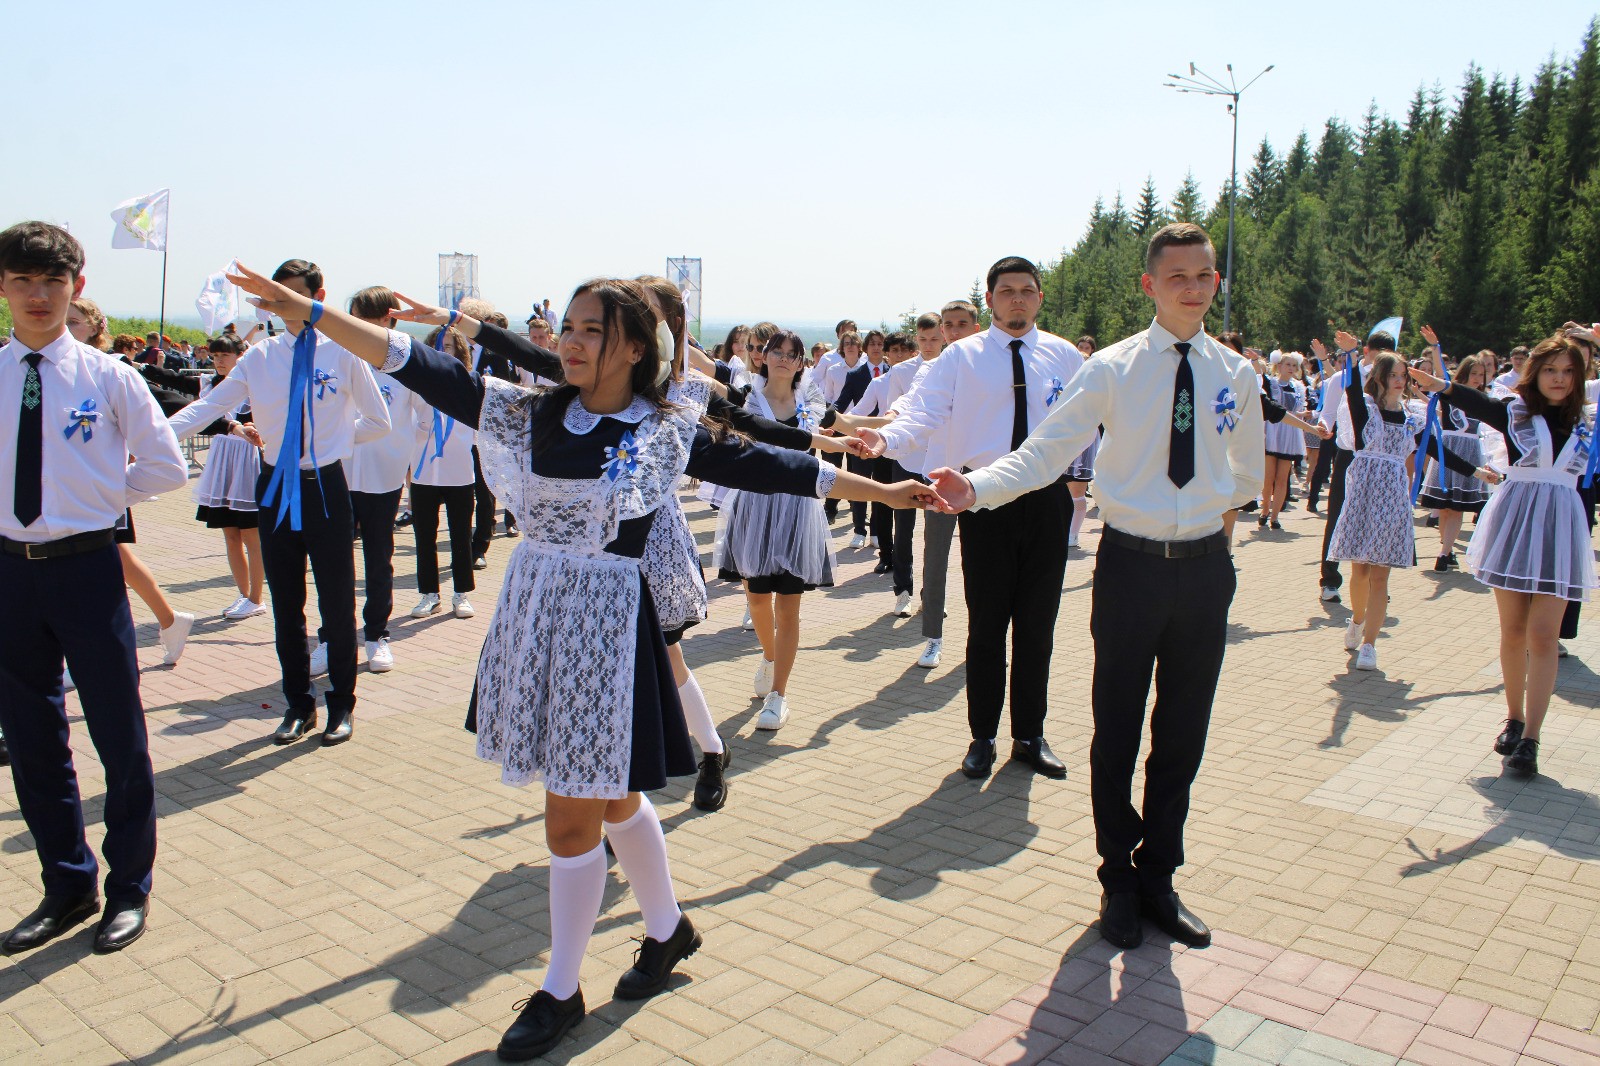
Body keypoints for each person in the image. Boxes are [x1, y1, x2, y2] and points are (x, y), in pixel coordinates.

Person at [228, 265, 931, 1062]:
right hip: (536, 613)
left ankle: (562, 989)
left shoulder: (663, 430)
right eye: (566, 326)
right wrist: (312, 313)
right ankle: (667, 931)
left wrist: (889, 491)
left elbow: (772, 466)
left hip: (608, 626)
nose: (569, 341)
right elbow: (414, 364)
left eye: (591, 330)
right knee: (617, 799)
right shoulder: (530, 415)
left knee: (572, 818)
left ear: (634, 348)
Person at [924, 223, 1261, 950]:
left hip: (1204, 570)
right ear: (1149, 285)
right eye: (1177, 277)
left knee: (1182, 734)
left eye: (1204, 275)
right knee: (1117, 730)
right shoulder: (1109, 368)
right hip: (1131, 568)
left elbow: (1250, 474)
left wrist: (1198, 511)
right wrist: (975, 487)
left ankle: (1160, 876)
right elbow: (1045, 454)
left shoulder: (1235, 373)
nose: (1193, 288)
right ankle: (1117, 878)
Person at [0, 221, 187, 954]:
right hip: (11, 574)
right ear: (4, 288)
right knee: (33, 738)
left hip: (86, 568)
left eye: (53, 282)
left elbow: (167, 468)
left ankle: (128, 889)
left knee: (118, 734)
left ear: (78, 286)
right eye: (22, 281)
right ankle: (67, 884)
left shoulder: (110, 377)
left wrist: (100, 500)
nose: (39, 296)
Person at [861, 256, 1084, 780]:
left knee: (1038, 626)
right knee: (987, 626)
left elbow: (1088, 420)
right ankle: (982, 735)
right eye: (1007, 291)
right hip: (983, 501)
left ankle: (1029, 734)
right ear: (990, 299)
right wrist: (885, 438)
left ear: (1039, 298)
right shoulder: (961, 357)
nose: (1017, 300)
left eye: (1027, 291)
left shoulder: (1064, 356)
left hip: (1047, 500)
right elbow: (925, 412)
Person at [168, 259, 391, 747]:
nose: (283, 305)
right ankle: (298, 705)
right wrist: (147, 438)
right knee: (286, 603)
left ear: (317, 294)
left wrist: (330, 443)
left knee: (336, 603)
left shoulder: (344, 352)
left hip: (325, 489)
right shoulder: (260, 356)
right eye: (276, 296)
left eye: (293, 295)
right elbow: (209, 407)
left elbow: (379, 421)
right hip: (272, 486)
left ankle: (341, 705)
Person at [1411, 333, 1596, 777]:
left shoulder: (1587, 422)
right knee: (1514, 630)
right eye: (1550, 369)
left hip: (1562, 529)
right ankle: (1513, 719)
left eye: (1568, 371)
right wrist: (1440, 385)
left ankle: (1532, 737)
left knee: (1544, 636)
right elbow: (1475, 402)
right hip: (1515, 524)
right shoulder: (1516, 411)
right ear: (1536, 372)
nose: (1559, 379)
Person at [1327, 352, 1495, 669]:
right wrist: (1350, 355)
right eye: (1394, 374)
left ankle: (1369, 646)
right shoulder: (1367, 411)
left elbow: (1437, 449)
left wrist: (1476, 472)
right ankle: (1357, 619)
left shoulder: (1411, 418)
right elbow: (1351, 390)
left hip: (1392, 498)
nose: (1400, 380)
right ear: (1380, 377)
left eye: (1403, 375)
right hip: (1363, 494)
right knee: (1360, 571)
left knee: (1380, 576)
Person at [715, 331, 838, 728]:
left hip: (798, 510)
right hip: (753, 506)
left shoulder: (812, 402)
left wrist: (886, 432)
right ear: (763, 356)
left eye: (792, 355)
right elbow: (702, 374)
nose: (784, 360)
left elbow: (850, 423)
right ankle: (769, 657)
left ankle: (778, 694)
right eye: (777, 352)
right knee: (755, 600)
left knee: (788, 606)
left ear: (802, 363)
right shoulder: (744, 396)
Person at [67, 299, 195, 662]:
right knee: (118, 563)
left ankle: (164, 623)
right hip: (61, 507)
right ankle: (170, 621)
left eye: (74, 322)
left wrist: (227, 421)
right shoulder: (43, 371)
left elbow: (166, 403)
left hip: (101, 500)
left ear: (94, 328)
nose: (65, 328)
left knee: (106, 569)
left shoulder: (111, 371)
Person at [314, 286, 426, 674]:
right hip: (337, 472)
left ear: (387, 319)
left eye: (366, 318)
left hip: (384, 476)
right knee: (333, 561)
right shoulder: (336, 355)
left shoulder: (407, 363)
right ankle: (330, 638)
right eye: (353, 317)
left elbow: (424, 422)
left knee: (379, 558)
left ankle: (377, 634)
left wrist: (415, 468)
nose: (357, 326)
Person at [187, 333, 267, 621]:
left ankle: (257, 596)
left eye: (225, 355)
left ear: (239, 356)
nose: (219, 361)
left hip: (248, 460)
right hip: (222, 460)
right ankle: (244, 594)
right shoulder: (209, 385)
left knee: (251, 534)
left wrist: (252, 424)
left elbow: (264, 417)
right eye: (215, 355)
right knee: (230, 534)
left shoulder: (252, 384)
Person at [409, 325, 479, 620]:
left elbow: (478, 430)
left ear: (459, 351)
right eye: (437, 345)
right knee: (424, 536)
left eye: (448, 346)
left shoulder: (470, 383)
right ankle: (429, 594)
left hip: (459, 471)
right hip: (424, 472)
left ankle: (461, 593)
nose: (442, 351)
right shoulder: (416, 384)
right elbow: (404, 423)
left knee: (461, 535)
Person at [1416, 333, 1492, 571]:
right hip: (1448, 449)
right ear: (1465, 373)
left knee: (1457, 507)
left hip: (1471, 451)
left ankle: (1445, 551)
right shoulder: (1452, 392)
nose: (1478, 379)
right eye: (1475, 373)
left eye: (1482, 374)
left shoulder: (1485, 398)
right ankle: (1445, 547)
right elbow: (1440, 374)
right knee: (1446, 506)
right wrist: (1436, 347)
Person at [1260, 352, 1307, 531]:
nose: (1292, 368)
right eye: (1288, 364)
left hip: (1290, 434)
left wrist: (1303, 415)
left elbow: (1299, 410)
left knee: (1282, 478)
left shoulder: (1299, 387)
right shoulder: (1271, 383)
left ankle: (1275, 516)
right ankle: (1264, 510)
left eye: (1295, 366)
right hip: (1273, 430)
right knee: (1268, 477)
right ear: (1279, 366)